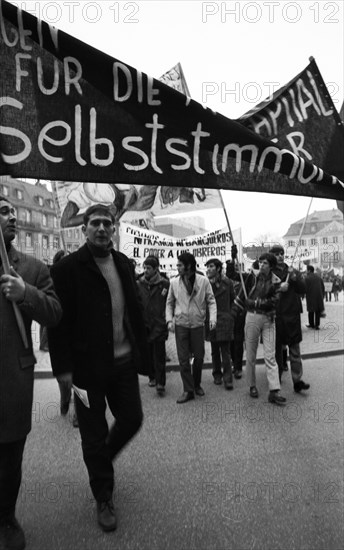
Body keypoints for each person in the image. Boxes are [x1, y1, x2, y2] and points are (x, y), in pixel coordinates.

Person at [48, 204, 149, 533]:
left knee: (132, 418)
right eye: (95, 223)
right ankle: (103, 496)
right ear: (84, 229)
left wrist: (146, 355)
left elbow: (133, 313)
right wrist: (63, 368)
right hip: (84, 372)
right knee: (92, 435)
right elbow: (58, 324)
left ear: (115, 228)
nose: (102, 228)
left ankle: (100, 462)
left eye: (108, 223)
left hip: (122, 365)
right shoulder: (66, 269)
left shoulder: (123, 263)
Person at [0, 195, 62, 550]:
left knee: (9, 459)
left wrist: (26, 293)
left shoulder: (33, 268)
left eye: (13, 210)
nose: (12, 217)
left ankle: (7, 517)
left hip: (12, 380)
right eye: (3, 211)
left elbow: (55, 313)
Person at [166, 252, 217, 403]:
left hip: (197, 325)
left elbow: (211, 301)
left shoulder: (203, 281)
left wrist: (212, 318)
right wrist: (169, 320)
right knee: (183, 359)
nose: (177, 267)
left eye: (180, 265)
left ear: (188, 266)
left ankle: (196, 384)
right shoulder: (174, 282)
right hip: (181, 324)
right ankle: (188, 390)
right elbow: (169, 303)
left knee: (199, 357)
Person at [239, 253, 286, 404]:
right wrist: (233, 258)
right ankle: (252, 385)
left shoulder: (276, 281)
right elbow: (235, 276)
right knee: (251, 354)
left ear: (271, 266)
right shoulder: (252, 277)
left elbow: (274, 303)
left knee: (270, 355)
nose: (262, 265)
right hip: (252, 318)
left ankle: (274, 390)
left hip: (269, 320)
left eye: (265, 263)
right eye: (260, 262)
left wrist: (254, 303)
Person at [270, 245, 310, 393]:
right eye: (277, 254)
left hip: (292, 315)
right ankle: (276, 380)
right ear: (272, 255)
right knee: (277, 351)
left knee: (295, 349)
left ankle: (297, 380)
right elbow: (264, 290)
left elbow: (303, 289)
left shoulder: (291, 270)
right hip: (276, 315)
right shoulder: (268, 272)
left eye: (282, 253)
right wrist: (280, 286)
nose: (280, 256)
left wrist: (294, 278)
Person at [137, 256, 170, 396]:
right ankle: (152, 377)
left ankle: (161, 383)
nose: (145, 271)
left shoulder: (165, 284)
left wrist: (166, 319)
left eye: (148, 268)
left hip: (159, 324)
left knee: (159, 355)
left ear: (156, 269)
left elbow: (170, 303)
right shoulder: (139, 284)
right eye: (144, 268)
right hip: (145, 325)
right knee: (149, 354)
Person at [205, 258, 235, 389]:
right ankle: (217, 374)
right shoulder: (205, 283)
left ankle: (228, 378)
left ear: (218, 268)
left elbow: (233, 300)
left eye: (211, 266)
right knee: (214, 350)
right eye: (207, 267)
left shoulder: (227, 282)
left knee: (226, 351)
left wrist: (231, 315)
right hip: (211, 319)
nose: (208, 269)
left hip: (224, 319)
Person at [305, 265, 325, 330]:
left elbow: (305, 287)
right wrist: (322, 295)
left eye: (306, 270)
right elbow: (323, 287)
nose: (306, 271)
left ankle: (311, 324)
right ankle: (317, 325)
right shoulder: (319, 278)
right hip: (319, 296)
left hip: (310, 296)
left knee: (310, 310)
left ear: (309, 270)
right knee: (317, 311)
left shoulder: (307, 278)